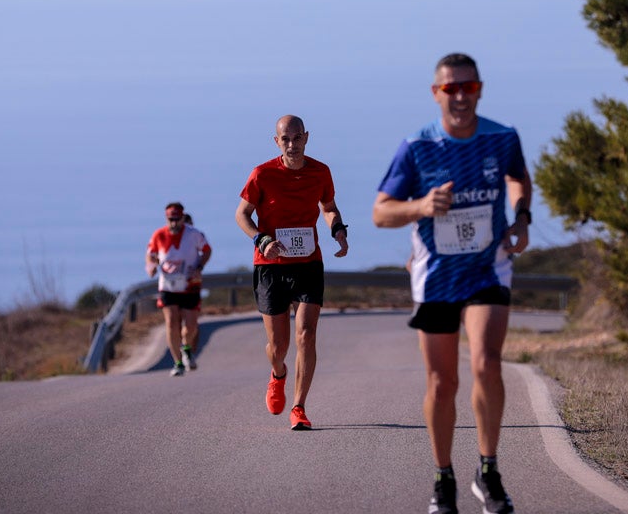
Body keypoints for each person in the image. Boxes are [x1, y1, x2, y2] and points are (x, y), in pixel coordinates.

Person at [372, 53, 531, 514]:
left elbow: (519, 178)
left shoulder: (502, 137)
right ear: (436, 93)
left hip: (488, 266)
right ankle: (444, 478)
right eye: (450, 88)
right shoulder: (416, 147)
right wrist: (421, 206)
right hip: (437, 274)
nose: (459, 96)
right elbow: (381, 212)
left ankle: (489, 469)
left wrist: (521, 218)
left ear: (479, 89)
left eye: (468, 87)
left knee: (486, 363)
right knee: (442, 383)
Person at [235, 114, 351, 431]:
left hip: (308, 263)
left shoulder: (320, 171)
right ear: (277, 142)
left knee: (307, 335)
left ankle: (299, 407)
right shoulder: (262, 174)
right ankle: (278, 374)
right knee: (278, 348)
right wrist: (261, 239)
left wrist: (337, 230)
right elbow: (242, 215)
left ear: (306, 138)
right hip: (270, 266)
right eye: (285, 139)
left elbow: (328, 207)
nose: (292, 144)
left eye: (297, 138)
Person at [146, 201, 212, 377]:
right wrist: (151, 266)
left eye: (177, 219)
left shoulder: (194, 234)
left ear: (183, 218)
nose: (174, 223)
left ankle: (187, 347)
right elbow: (151, 255)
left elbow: (207, 250)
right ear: (166, 219)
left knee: (190, 327)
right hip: (168, 286)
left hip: (190, 284)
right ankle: (177, 362)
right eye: (170, 219)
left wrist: (199, 268)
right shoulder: (159, 235)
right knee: (171, 322)